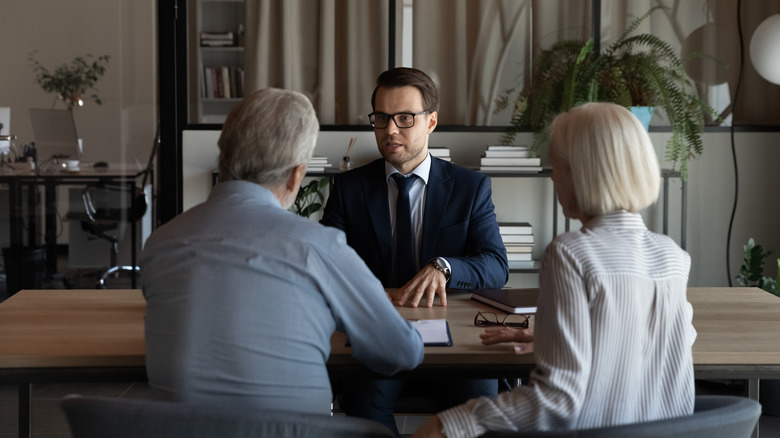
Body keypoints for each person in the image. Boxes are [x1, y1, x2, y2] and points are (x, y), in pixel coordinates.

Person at [414, 102, 697, 438]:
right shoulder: (673, 256)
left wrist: (455, 422)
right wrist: (556, 335)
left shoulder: (570, 254)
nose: (552, 177)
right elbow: (662, 343)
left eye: (557, 166)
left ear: (583, 173)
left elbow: (559, 401)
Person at [140, 88, 424, 416]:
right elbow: (401, 352)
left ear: (224, 157)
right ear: (295, 176)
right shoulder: (319, 247)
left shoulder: (159, 243)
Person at [320, 67, 508, 435]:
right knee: (363, 405)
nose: (390, 130)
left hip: (452, 340)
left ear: (431, 121)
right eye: (381, 118)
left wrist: (445, 267)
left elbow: (496, 265)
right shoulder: (349, 189)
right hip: (378, 337)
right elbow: (327, 264)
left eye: (405, 118)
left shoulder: (470, 188)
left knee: (482, 409)